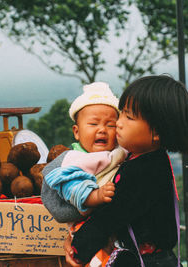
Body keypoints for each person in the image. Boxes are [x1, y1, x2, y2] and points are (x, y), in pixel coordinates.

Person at [65, 74, 188, 267]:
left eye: (129, 117)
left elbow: (111, 215)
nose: (118, 122)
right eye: (121, 113)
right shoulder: (143, 158)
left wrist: (79, 249)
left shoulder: (146, 171)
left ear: (157, 132)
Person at [41, 81, 127, 266]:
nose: (102, 129)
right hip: (86, 229)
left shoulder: (121, 153)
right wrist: (94, 196)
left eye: (110, 125)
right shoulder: (73, 159)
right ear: (77, 132)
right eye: (93, 123)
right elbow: (71, 187)